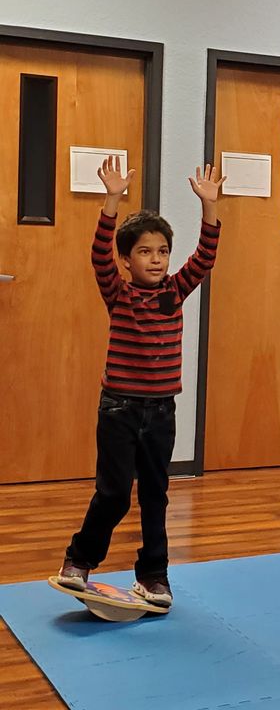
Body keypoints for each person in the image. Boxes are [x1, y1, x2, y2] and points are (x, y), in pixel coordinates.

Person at [57, 156, 223, 607]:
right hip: (119, 409)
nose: (156, 259)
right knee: (112, 493)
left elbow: (205, 255)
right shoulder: (119, 292)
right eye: (145, 252)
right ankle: (78, 560)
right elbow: (98, 254)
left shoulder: (175, 291)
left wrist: (209, 207)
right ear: (127, 260)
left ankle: (154, 577)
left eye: (163, 251)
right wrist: (111, 201)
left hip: (161, 410)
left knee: (156, 495)